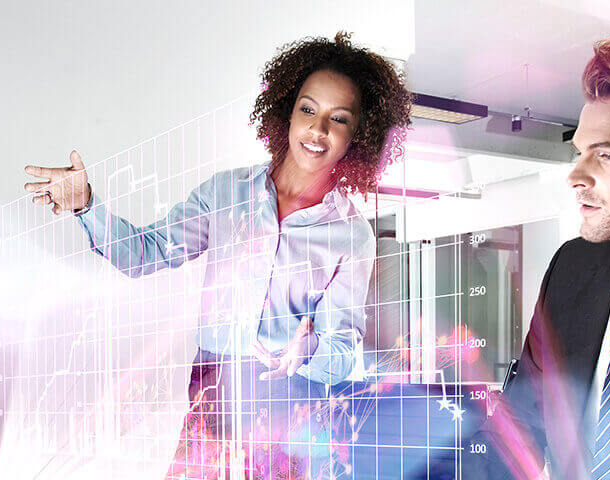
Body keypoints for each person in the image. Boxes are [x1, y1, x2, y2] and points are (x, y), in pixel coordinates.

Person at [24, 32, 411, 478]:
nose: (318, 130)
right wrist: (84, 204)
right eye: (308, 109)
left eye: (338, 119)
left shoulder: (351, 235)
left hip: (289, 415)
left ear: (357, 135)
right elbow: (144, 253)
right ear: (287, 111)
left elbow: (345, 353)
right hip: (211, 398)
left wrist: (309, 352)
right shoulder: (225, 193)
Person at [462, 33, 610, 480]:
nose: (576, 176)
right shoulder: (573, 268)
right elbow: (517, 431)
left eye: (607, 154)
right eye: (580, 153)